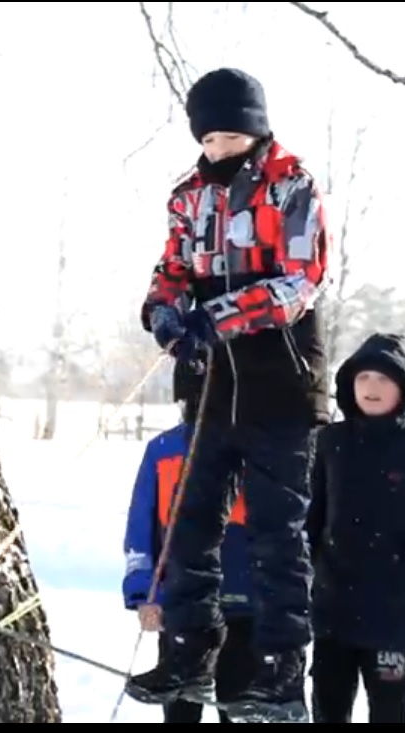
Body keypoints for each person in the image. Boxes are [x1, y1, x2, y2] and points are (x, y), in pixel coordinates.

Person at [125, 67, 331, 724]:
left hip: (278, 383)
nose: (218, 148)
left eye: (230, 133)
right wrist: (164, 314)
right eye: (209, 137)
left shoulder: (290, 186)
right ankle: (188, 647)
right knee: (191, 521)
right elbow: (171, 272)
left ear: (256, 126)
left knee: (274, 531)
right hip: (211, 388)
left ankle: (279, 666)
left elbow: (299, 280)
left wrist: (217, 316)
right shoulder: (188, 195)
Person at [305, 333, 405, 723]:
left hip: (392, 615)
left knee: (388, 714)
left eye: (383, 380)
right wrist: (316, 570)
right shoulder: (329, 443)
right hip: (333, 612)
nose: (371, 388)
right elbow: (310, 515)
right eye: (363, 379)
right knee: (328, 711)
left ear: (403, 388)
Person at [122, 363, 255, 723]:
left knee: (238, 709)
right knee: (180, 709)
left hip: (244, 609)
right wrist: (144, 593)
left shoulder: (258, 449)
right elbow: (141, 528)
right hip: (181, 605)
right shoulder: (163, 450)